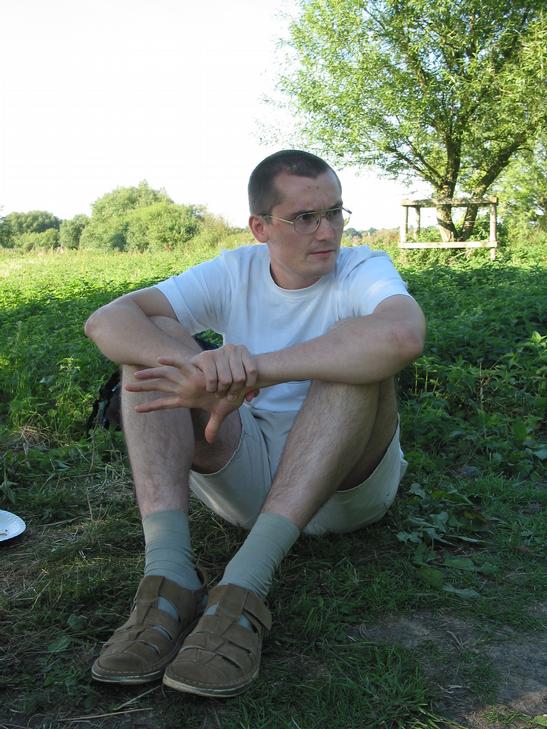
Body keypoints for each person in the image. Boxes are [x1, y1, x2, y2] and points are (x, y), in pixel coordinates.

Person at [84, 149, 425, 698]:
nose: (327, 232)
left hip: (348, 489)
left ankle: (243, 587)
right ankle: (168, 577)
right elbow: (107, 321)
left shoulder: (362, 269)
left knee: (352, 352)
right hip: (250, 477)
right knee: (148, 355)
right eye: (304, 218)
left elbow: (403, 336)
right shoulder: (235, 271)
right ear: (260, 227)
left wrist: (254, 371)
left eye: (334, 213)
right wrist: (196, 368)